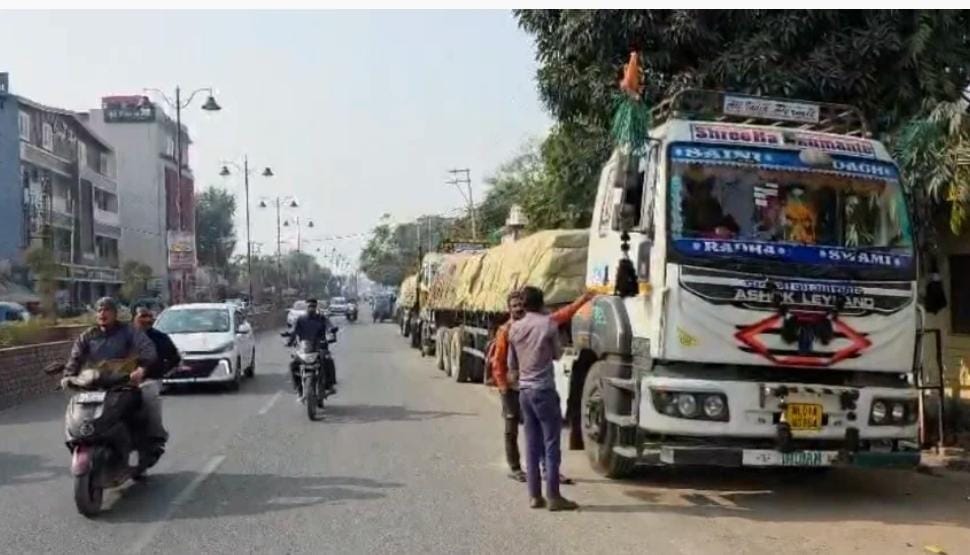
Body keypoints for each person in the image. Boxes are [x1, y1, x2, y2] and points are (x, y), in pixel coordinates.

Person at [490, 289, 593, 483]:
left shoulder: (537, 325)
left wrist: (582, 300)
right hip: (514, 388)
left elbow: (564, 314)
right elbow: (498, 362)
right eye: (514, 306)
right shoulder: (506, 331)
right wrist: (503, 386)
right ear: (509, 309)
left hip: (528, 388)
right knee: (512, 428)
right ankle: (516, 468)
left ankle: (547, 472)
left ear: (526, 306)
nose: (518, 309)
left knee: (540, 431)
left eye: (520, 305)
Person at [507, 286, 579, 511]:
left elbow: (512, 366)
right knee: (551, 444)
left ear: (525, 305)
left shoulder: (514, 328)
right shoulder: (548, 324)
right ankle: (554, 496)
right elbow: (557, 354)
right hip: (544, 391)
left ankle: (535, 496)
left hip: (525, 393)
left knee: (531, 444)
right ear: (541, 303)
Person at [63, 297, 160, 461]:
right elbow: (75, 358)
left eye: (107, 310)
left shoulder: (129, 331)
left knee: (139, 407)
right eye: (99, 310)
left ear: (115, 313)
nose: (102, 313)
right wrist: (68, 376)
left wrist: (141, 369)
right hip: (94, 386)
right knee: (77, 414)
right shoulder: (87, 336)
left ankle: (142, 448)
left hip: (123, 385)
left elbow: (148, 349)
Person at [132, 305, 181, 457]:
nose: (146, 320)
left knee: (150, 400)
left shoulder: (160, 338)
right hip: (120, 381)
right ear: (134, 318)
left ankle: (155, 437)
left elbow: (175, 358)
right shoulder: (123, 337)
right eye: (142, 316)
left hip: (149, 381)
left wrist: (162, 372)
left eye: (149, 316)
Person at [288, 298, 337, 397]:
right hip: (304, 349)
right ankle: (298, 388)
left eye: (313, 306)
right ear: (306, 307)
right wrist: (289, 340)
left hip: (320, 348)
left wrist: (332, 332)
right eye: (309, 306)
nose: (311, 308)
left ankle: (330, 385)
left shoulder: (322, 318)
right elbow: (293, 331)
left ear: (316, 307)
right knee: (293, 364)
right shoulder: (300, 320)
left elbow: (329, 326)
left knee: (328, 361)